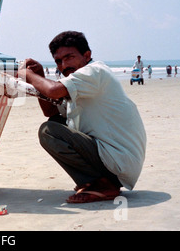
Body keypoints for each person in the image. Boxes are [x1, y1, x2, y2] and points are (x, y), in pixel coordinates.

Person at [18, 31, 146, 203]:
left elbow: (54, 91)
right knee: (55, 123)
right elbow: (52, 112)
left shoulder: (94, 72)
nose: (64, 65)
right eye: (58, 61)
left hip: (117, 162)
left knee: (49, 131)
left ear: (87, 55)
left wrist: (28, 75)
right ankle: (97, 181)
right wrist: (39, 76)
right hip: (114, 160)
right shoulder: (79, 80)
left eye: (69, 57)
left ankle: (102, 184)